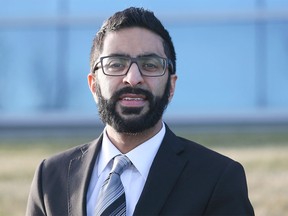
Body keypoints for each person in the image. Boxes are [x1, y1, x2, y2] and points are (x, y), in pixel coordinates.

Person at [26, 7, 254, 216]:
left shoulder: (217, 178)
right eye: (116, 64)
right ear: (93, 85)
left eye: (150, 65)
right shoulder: (50, 177)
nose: (133, 78)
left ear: (171, 86)